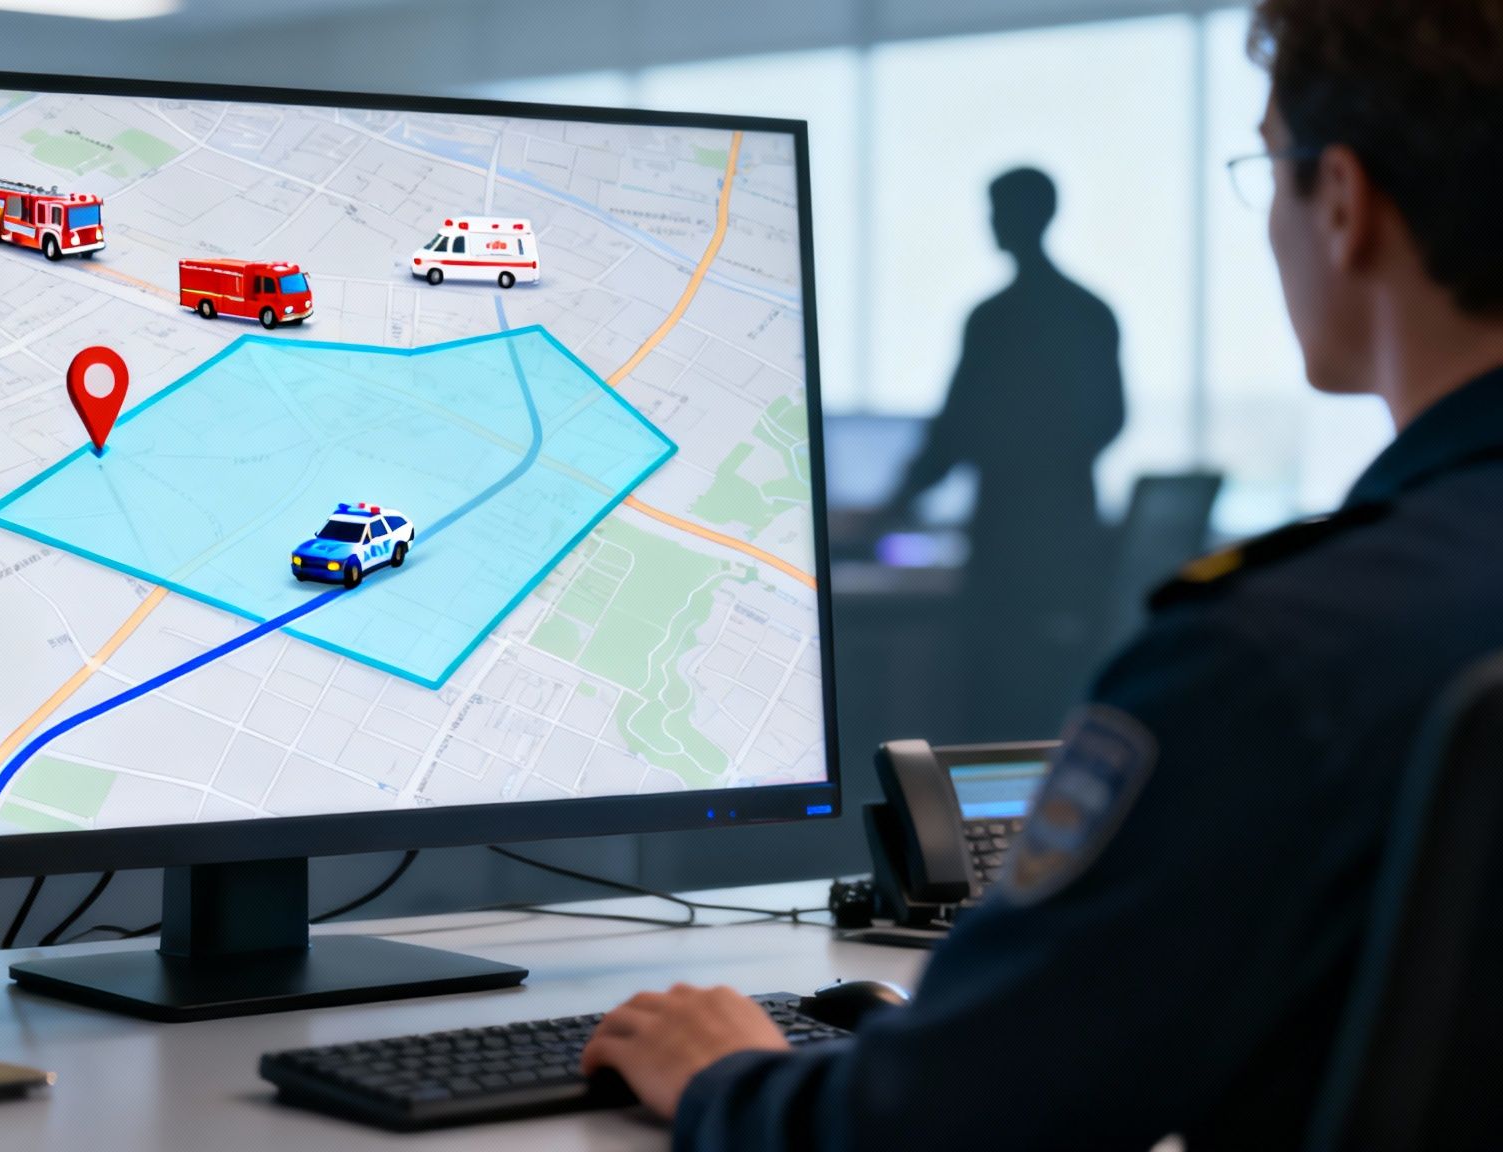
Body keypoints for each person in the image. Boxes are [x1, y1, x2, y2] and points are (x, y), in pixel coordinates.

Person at [581, 1, 1503, 1147]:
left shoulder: (1271, 658)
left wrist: (725, 1077)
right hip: (1062, 530)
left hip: (1015, 549)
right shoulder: (1097, 325)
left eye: (1267, 167)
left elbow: (940, 1127)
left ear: (1341, 203)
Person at [879, 167, 1125, 739]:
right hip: (1073, 538)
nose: (991, 223)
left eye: (997, 210)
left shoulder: (995, 319)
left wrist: (892, 507)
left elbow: (955, 431)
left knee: (990, 708)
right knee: (1048, 700)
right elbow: (1113, 419)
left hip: (1008, 540)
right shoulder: (1091, 311)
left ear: (1022, 217)